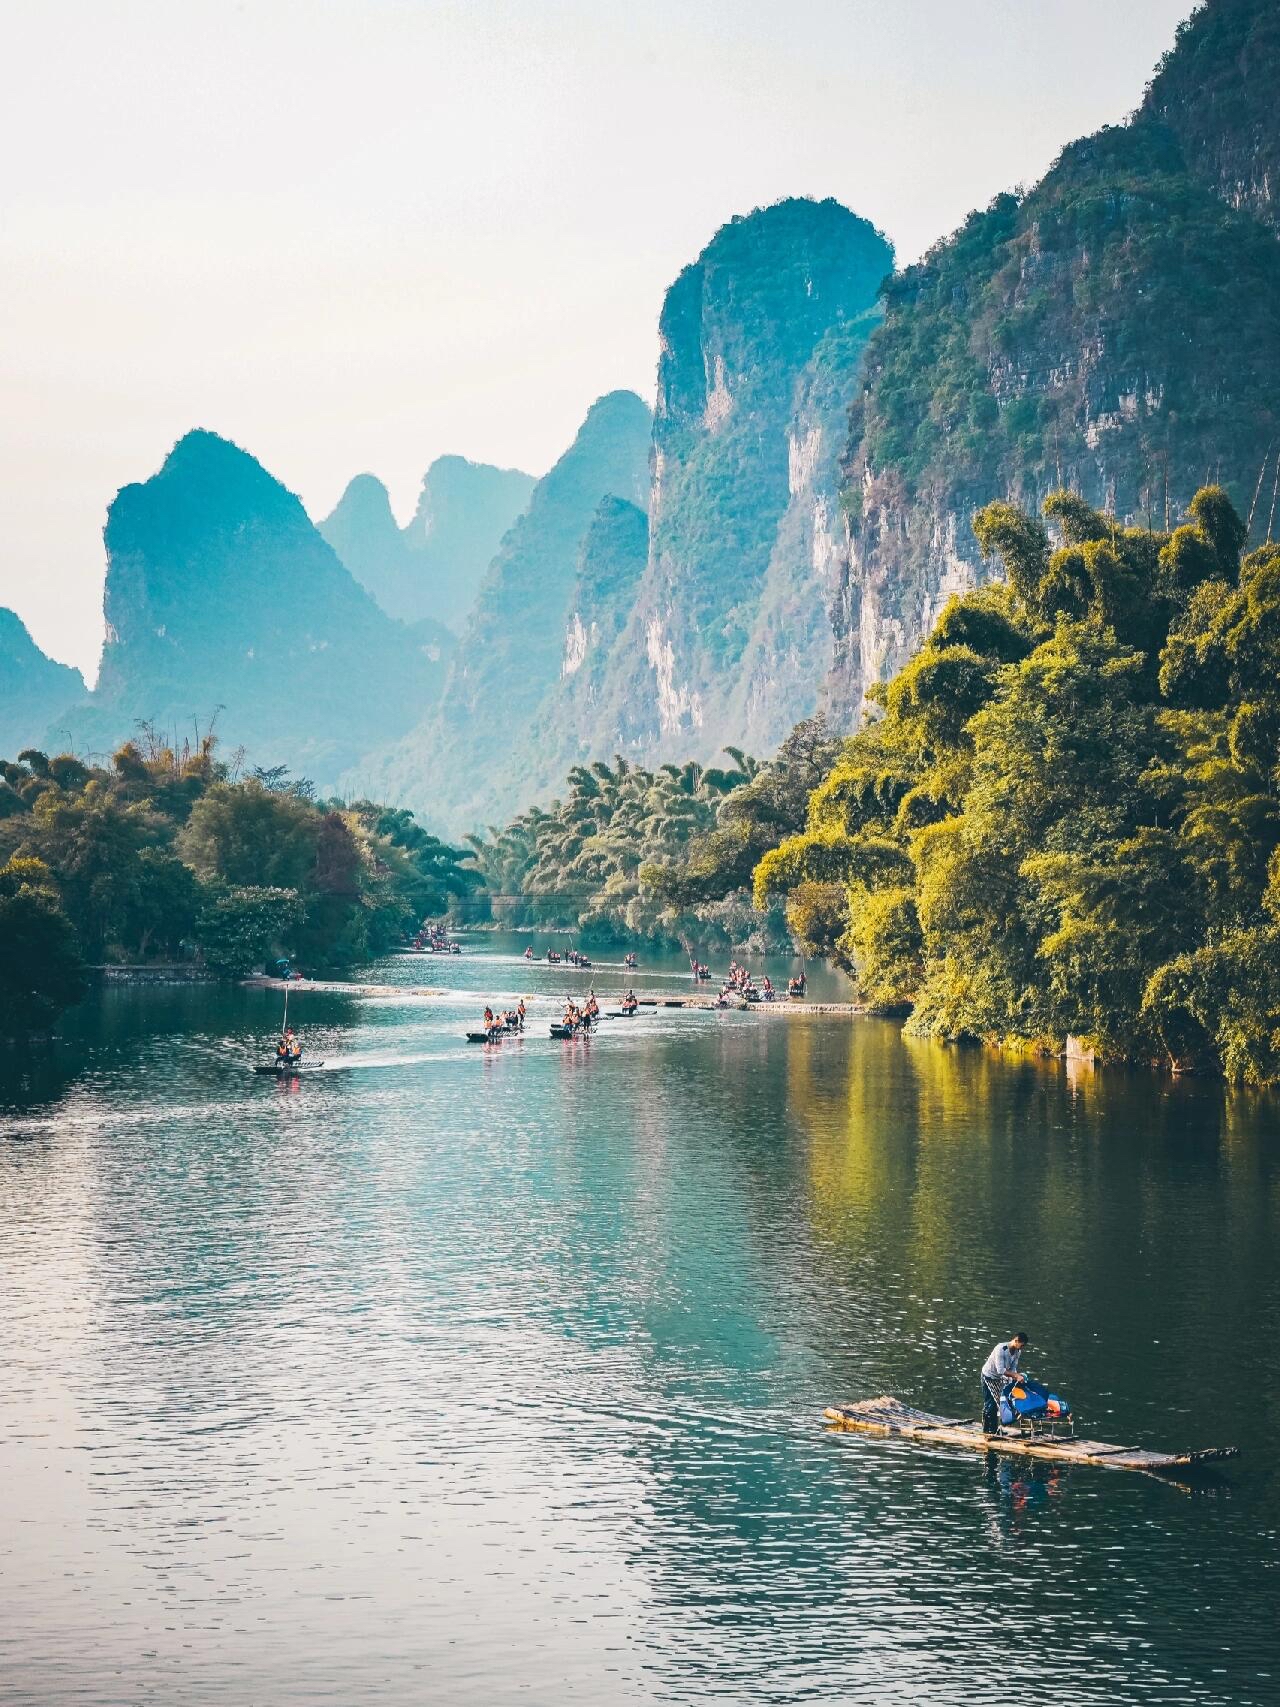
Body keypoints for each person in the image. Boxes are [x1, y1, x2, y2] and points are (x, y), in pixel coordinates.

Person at [982, 1331, 1030, 1435]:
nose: (1021, 1348)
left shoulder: (1017, 1352)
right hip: (989, 1376)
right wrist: (1016, 1376)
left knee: (1002, 1402)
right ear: (1016, 1341)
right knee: (991, 1404)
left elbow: (1012, 1368)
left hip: (1000, 1378)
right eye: (1021, 1345)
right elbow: (1000, 1370)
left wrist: (1016, 1378)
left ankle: (996, 1429)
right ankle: (988, 1430)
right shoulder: (1001, 1349)